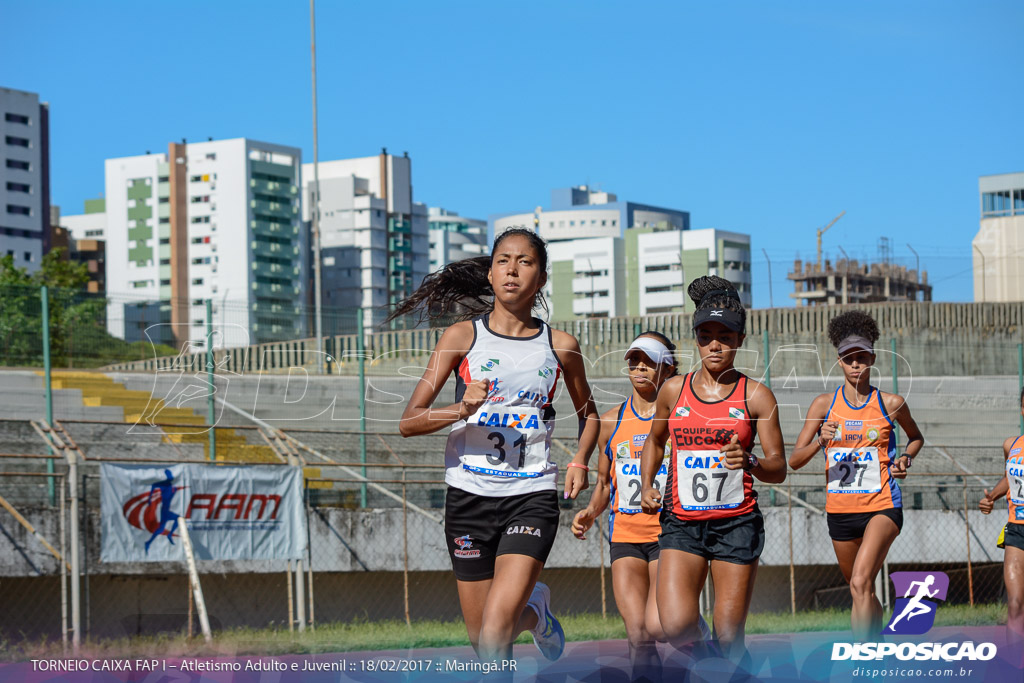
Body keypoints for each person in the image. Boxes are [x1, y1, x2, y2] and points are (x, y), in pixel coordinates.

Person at [397, 228, 600, 664]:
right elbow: (409, 421)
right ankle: (537, 614)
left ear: (541, 278)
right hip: (468, 498)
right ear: (489, 274)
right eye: (503, 260)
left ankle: (530, 613)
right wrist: (460, 409)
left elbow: (591, 415)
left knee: (494, 631)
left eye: (525, 261)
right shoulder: (460, 337)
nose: (512, 269)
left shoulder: (560, 346)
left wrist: (581, 460)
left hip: (530, 497)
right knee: (485, 643)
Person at [638, 276, 787, 661]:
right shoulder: (673, 390)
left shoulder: (756, 395)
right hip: (682, 521)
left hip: (736, 523)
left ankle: (731, 663)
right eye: (706, 335)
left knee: (728, 635)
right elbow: (654, 442)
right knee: (672, 625)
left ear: (739, 340)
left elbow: (778, 467)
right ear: (695, 339)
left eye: (724, 335)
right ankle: (714, 656)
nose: (715, 344)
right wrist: (646, 485)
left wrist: (750, 461)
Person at [572, 330, 706, 680]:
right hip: (626, 536)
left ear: (669, 368)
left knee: (662, 626)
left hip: (671, 536)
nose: (640, 367)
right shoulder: (611, 421)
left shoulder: (683, 417)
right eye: (634, 359)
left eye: (649, 361)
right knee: (638, 634)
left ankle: (698, 634)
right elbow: (604, 483)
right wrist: (590, 511)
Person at [790, 310, 923, 640]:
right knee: (860, 591)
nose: (856, 365)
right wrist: (821, 440)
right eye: (849, 359)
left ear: (872, 359)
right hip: (840, 511)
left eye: (861, 358)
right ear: (839, 361)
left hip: (882, 506)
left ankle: (862, 662)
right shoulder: (824, 405)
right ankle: (876, 651)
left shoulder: (890, 403)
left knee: (862, 582)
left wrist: (905, 458)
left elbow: (916, 437)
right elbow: (794, 460)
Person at [977, 387, 1024, 648]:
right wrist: (992, 497)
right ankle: (1015, 668)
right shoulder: (1012, 445)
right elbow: (1009, 477)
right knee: (1015, 604)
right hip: (1017, 531)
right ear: (1022, 409)